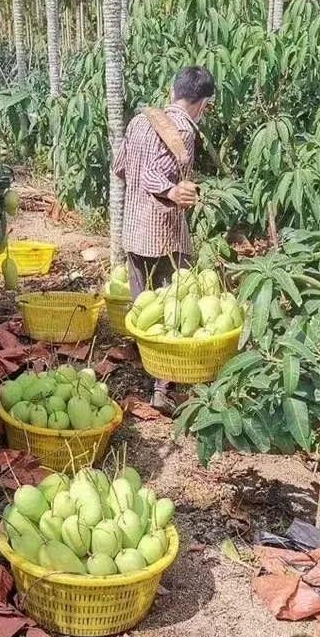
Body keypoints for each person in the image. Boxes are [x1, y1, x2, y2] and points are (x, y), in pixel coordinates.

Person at [112, 65, 215, 415]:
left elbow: (121, 168)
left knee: (143, 304)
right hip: (163, 232)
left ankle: (147, 370)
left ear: (173, 92)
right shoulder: (183, 129)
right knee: (173, 304)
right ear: (202, 103)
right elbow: (157, 173)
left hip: (133, 227)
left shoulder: (141, 120)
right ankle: (162, 387)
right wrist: (173, 190)